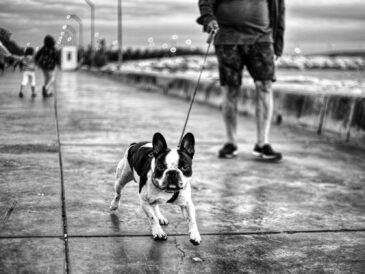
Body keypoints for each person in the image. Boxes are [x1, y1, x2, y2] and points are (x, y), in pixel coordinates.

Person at [197, 0, 285, 161]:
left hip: (262, 39)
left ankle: (262, 143)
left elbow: (280, 10)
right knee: (230, 89)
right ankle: (231, 142)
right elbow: (205, 2)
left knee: (265, 86)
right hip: (227, 40)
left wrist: (278, 43)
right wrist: (209, 18)